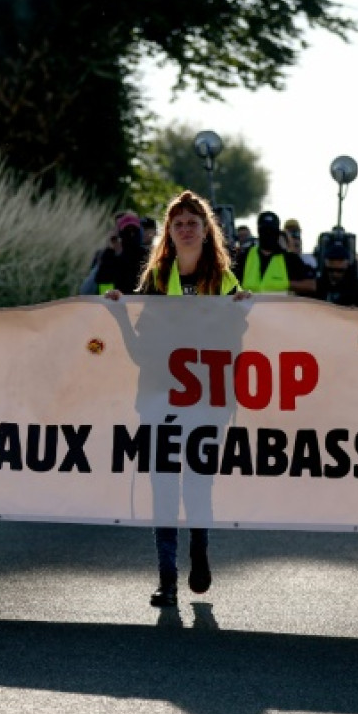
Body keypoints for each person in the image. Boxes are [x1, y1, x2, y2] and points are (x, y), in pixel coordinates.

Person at [104, 191, 251, 606]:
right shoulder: (156, 278)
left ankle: (199, 552)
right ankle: (166, 579)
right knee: (164, 486)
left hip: (208, 401)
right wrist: (119, 316)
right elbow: (140, 354)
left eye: (193, 222)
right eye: (178, 223)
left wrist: (242, 311)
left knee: (197, 486)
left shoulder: (224, 280)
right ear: (169, 232)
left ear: (207, 231)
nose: (185, 229)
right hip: (157, 397)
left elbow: (235, 344)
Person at [234, 211, 315, 295]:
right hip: (248, 307)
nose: (268, 234)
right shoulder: (244, 256)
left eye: (271, 231)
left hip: (280, 307)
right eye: (265, 231)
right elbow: (228, 284)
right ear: (258, 231)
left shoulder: (290, 259)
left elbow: (311, 285)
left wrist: (286, 283)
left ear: (278, 232)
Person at [96, 212, 148, 295]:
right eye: (127, 230)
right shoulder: (111, 255)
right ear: (120, 233)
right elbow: (103, 281)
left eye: (134, 230)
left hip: (140, 302)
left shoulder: (147, 255)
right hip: (116, 303)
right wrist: (110, 250)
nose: (131, 234)